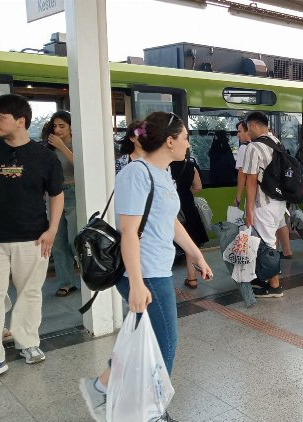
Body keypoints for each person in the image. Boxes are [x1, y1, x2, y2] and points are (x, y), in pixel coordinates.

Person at [79, 111, 212, 421]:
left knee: (143, 341)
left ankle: (101, 388)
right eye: (185, 138)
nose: (188, 144)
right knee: (165, 342)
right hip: (145, 272)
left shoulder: (162, 172)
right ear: (169, 141)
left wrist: (196, 254)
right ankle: (149, 412)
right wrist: (137, 284)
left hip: (156, 268)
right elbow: (128, 232)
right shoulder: (135, 174)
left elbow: (171, 222)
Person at [0, 94, 64, 378]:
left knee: (29, 293)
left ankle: (28, 342)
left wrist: (52, 230)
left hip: (33, 237)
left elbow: (56, 195)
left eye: (0, 117)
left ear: (20, 121)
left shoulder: (45, 157)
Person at [243, 111, 286, 298]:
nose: (247, 132)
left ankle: (275, 285)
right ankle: (266, 276)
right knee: (270, 240)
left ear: (253, 125)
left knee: (267, 244)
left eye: (247, 128)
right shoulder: (276, 142)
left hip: (263, 203)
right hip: (279, 201)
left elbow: (251, 181)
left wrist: (248, 209)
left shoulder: (254, 147)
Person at [46, 111, 80, 297]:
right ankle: (66, 283)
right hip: (54, 195)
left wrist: (62, 146)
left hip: (74, 194)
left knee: (74, 240)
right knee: (58, 242)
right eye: (55, 126)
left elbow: (82, 168)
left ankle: (88, 278)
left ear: (71, 127)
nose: (57, 130)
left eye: (62, 126)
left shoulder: (78, 144)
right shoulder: (49, 147)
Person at [170, 153, 209, 288]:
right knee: (190, 242)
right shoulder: (190, 166)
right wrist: (186, 191)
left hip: (170, 206)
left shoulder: (163, 165)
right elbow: (198, 187)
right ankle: (192, 279)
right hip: (187, 207)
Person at [234, 120, 251, 205]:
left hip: (252, 194)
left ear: (248, 131)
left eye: (239, 131)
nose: (237, 135)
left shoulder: (244, 148)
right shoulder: (261, 145)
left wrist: (238, 197)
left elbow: (242, 173)